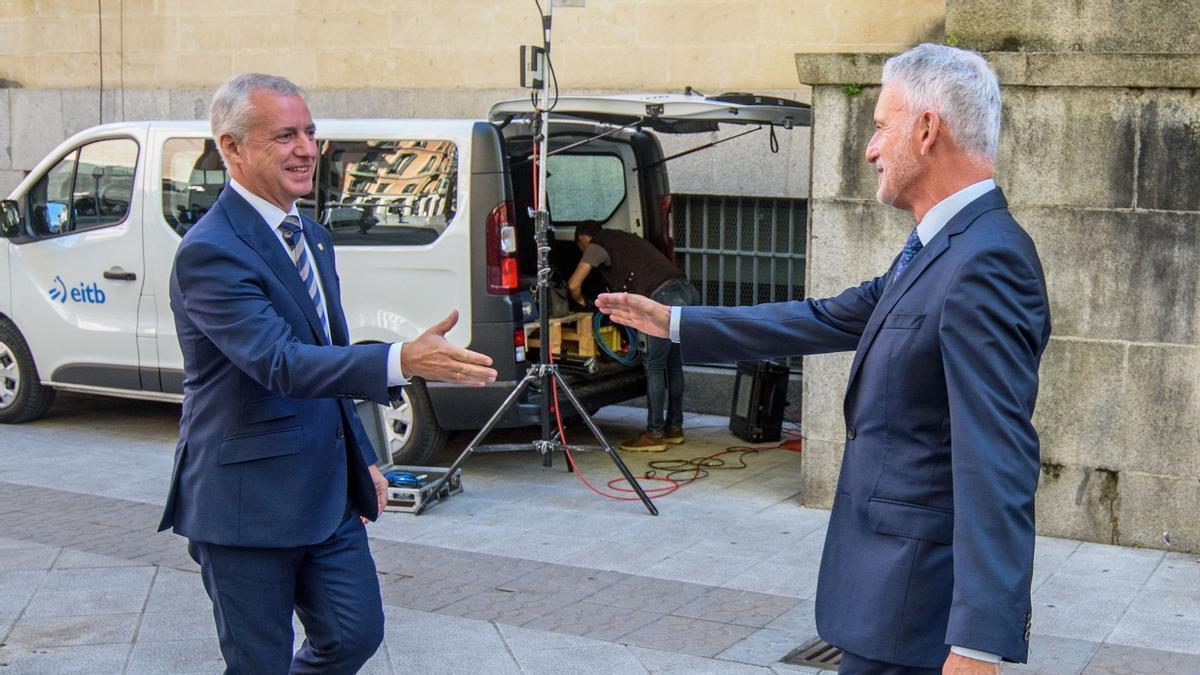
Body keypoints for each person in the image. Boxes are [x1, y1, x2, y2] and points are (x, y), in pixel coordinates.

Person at [598, 44, 1049, 675]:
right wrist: (675, 322)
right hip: (884, 603)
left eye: (881, 126)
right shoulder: (939, 245)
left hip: (918, 616)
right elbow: (824, 317)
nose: (870, 149)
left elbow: (997, 458)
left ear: (926, 130)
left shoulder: (987, 261)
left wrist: (977, 645)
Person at [157, 73, 497, 674]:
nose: (307, 149)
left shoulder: (311, 236)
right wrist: (399, 359)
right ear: (231, 148)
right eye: (284, 136)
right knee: (258, 662)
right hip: (246, 501)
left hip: (326, 491)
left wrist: (362, 455)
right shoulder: (210, 250)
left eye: (310, 132)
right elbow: (280, 362)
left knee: (354, 634)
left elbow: (327, 353)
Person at [568, 221, 700, 451]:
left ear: (584, 238)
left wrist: (580, 303)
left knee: (655, 365)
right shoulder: (625, 238)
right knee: (674, 364)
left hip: (663, 297)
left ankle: (654, 435)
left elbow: (573, 284)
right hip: (685, 291)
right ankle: (674, 429)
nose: (583, 251)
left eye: (580, 246)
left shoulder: (597, 244)